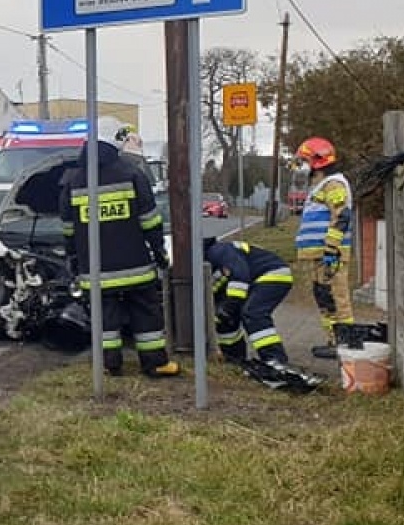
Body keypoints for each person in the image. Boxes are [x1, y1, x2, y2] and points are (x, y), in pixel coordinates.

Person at [59, 117, 180, 377]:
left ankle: (109, 365)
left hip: (95, 270)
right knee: (146, 314)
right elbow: (149, 219)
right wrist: (159, 251)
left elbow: (68, 228)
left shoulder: (74, 180)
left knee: (105, 320)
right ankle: (155, 363)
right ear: (115, 141)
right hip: (135, 265)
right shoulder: (131, 173)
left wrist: (74, 259)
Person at [294, 136, 356, 358]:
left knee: (337, 297)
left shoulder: (334, 184)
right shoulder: (319, 187)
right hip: (317, 255)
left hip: (329, 254)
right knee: (324, 297)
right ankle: (333, 341)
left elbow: (341, 216)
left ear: (316, 162)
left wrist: (331, 248)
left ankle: (347, 345)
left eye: (305, 161)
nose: (303, 167)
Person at [203, 235, 295, 365]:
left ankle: (275, 360)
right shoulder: (208, 266)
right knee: (226, 320)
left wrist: (230, 305)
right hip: (254, 280)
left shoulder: (219, 251)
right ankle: (234, 359)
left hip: (272, 272)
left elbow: (240, 274)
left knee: (253, 313)